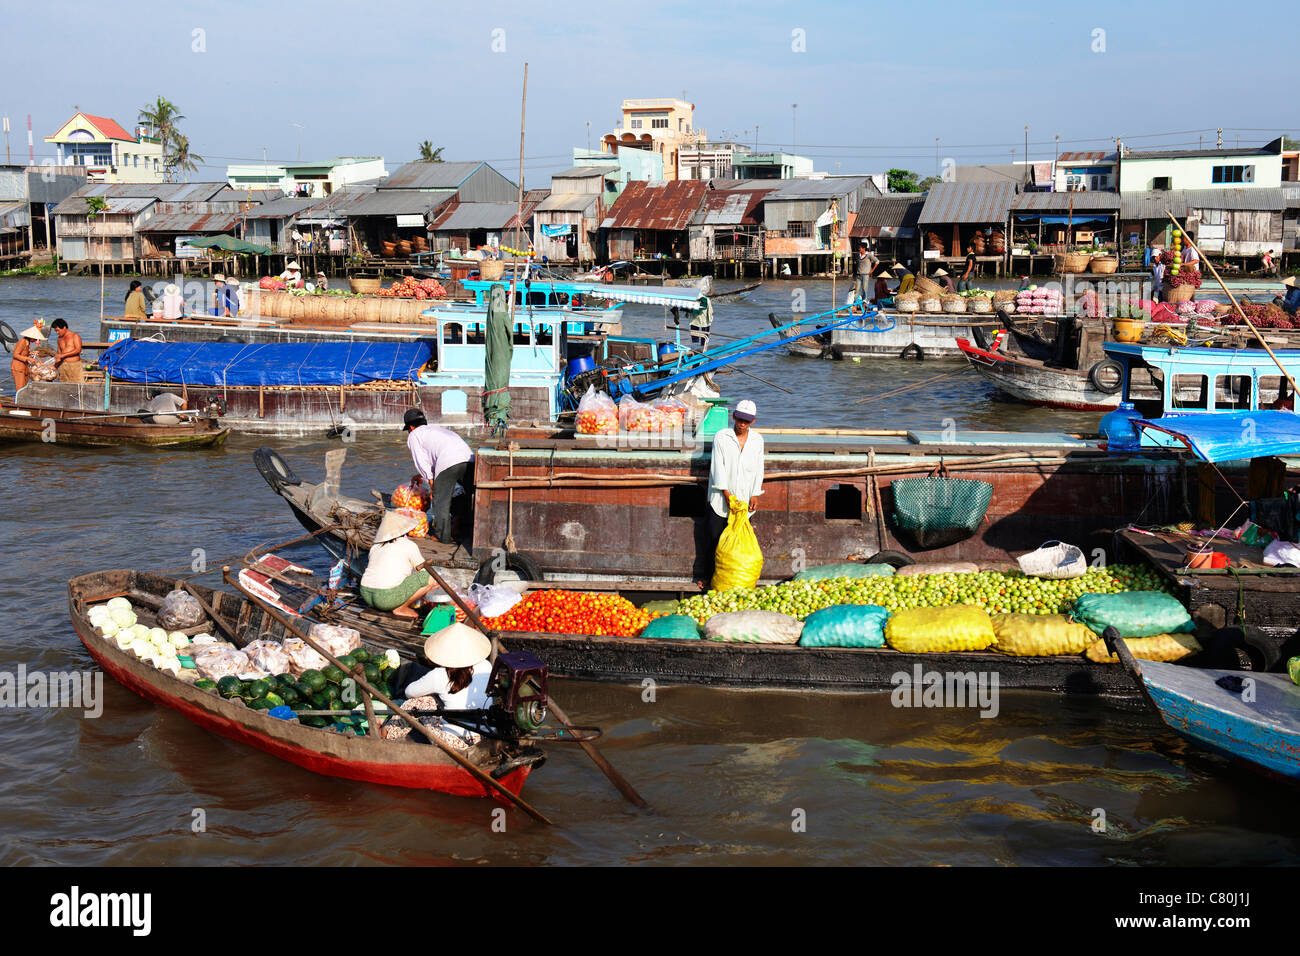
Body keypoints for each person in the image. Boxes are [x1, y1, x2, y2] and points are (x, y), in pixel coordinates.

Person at [384, 623, 493, 747]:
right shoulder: (486, 666)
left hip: (453, 743)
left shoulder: (439, 675)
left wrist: (432, 690)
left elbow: (409, 692)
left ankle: (386, 736)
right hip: (486, 736)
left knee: (418, 703)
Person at [696, 399, 764, 588]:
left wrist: (755, 494)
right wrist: (726, 493)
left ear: (753, 421)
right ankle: (709, 577)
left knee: (739, 542)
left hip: (743, 502)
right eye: (740, 419)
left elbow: (759, 469)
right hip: (720, 499)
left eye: (747, 421)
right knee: (714, 538)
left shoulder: (757, 440)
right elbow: (718, 467)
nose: (742, 424)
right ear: (734, 417)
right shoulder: (722, 437)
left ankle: (737, 581)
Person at [403, 409, 475, 543]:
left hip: (448, 462)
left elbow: (422, 461)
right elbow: (436, 456)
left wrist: (431, 485)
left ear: (411, 427)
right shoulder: (435, 429)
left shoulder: (414, 435)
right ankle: (466, 526)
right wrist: (422, 475)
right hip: (469, 459)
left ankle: (442, 536)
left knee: (440, 501)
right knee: (469, 495)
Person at [359, 510, 434, 619]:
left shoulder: (375, 546)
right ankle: (401, 607)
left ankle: (396, 603)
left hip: (365, 593)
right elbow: (424, 571)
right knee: (429, 578)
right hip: (386, 598)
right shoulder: (408, 545)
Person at [10, 325, 44, 392]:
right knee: (20, 388)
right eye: (35, 339)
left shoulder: (27, 343)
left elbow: (23, 354)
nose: (35, 341)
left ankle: (21, 400)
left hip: (24, 367)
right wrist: (28, 359)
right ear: (31, 337)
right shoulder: (22, 342)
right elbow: (15, 355)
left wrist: (31, 353)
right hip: (18, 368)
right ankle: (18, 401)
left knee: (24, 387)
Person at [50, 319, 84, 383]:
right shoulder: (59, 339)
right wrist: (55, 367)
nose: (57, 332)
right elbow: (59, 354)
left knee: (77, 385)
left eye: (58, 330)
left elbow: (78, 350)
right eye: (55, 331)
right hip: (63, 366)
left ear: (64, 327)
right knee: (64, 385)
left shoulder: (74, 336)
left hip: (74, 365)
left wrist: (63, 355)